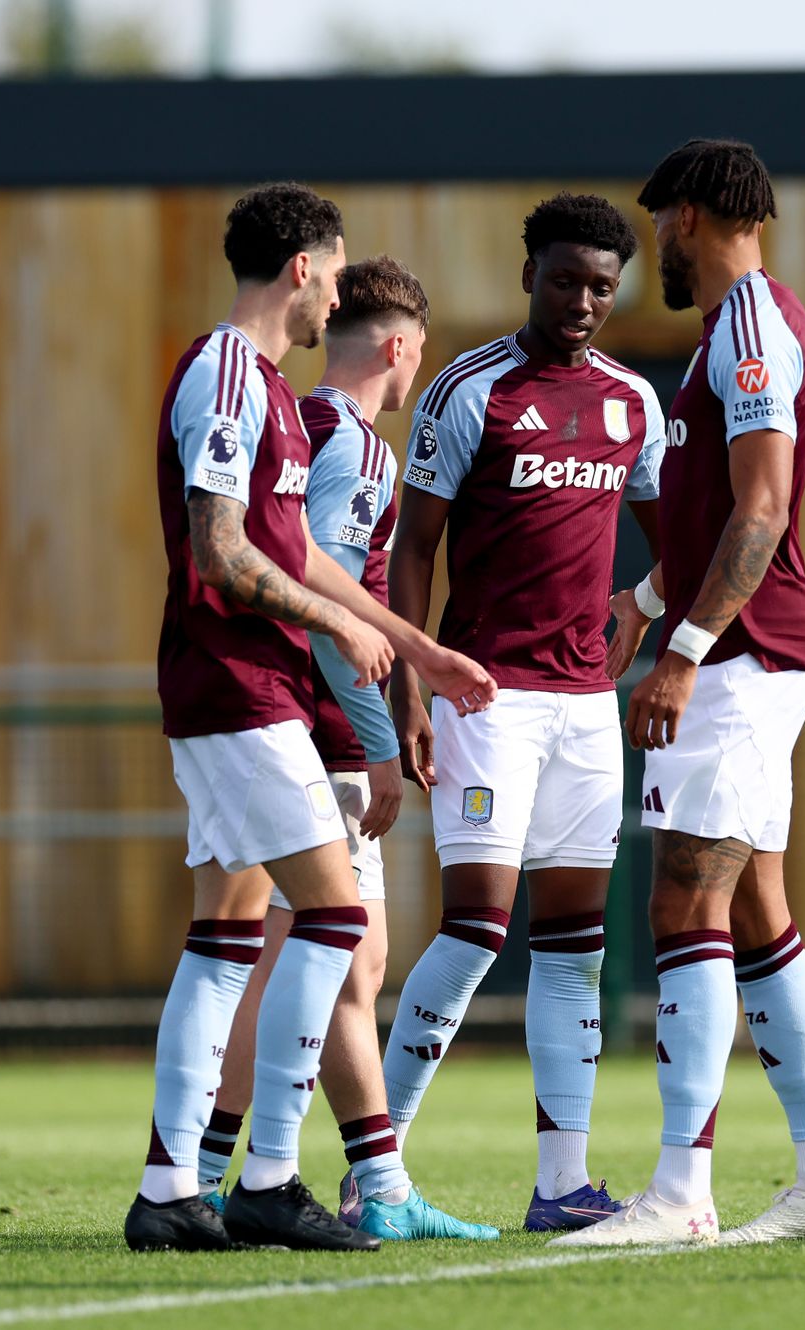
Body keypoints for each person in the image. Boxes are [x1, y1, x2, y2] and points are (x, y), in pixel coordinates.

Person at [131, 184, 495, 1253]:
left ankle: (173, 1186)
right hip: (236, 686)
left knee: (227, 938)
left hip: (251, 689)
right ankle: (270, 1177)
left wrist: (409, 643)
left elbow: (300, 557)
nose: (335, 292)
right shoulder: (226, 373)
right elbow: (226, 552)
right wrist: (347, 631)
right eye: (332, 271)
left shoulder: (276, 396)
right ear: (301, 269)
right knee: (336, 922)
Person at [556, 139, 805, 1249]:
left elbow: (763, 515)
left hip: (743, 659)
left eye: (655, 232)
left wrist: (683, 651)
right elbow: (711, 522)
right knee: (754, 913)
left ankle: (680, 1193)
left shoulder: (748, 329)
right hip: (745, 645)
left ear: (686, 215)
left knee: (683, 905)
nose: (654, 256)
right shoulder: (726, 340)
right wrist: (645, 597)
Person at [381, 193, 665, 1234]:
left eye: (601, 284)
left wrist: (644, 606)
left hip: (589, 706)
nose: (583, 300)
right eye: (565, 279)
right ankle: (379, 1172)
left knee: (575, 944)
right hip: (483, 693)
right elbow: (413, 548)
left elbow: (685, 528)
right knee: (473, 927)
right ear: (528, 274)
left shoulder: (633, 401)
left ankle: (562, 1184)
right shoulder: (471, 388)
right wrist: (408, 679)